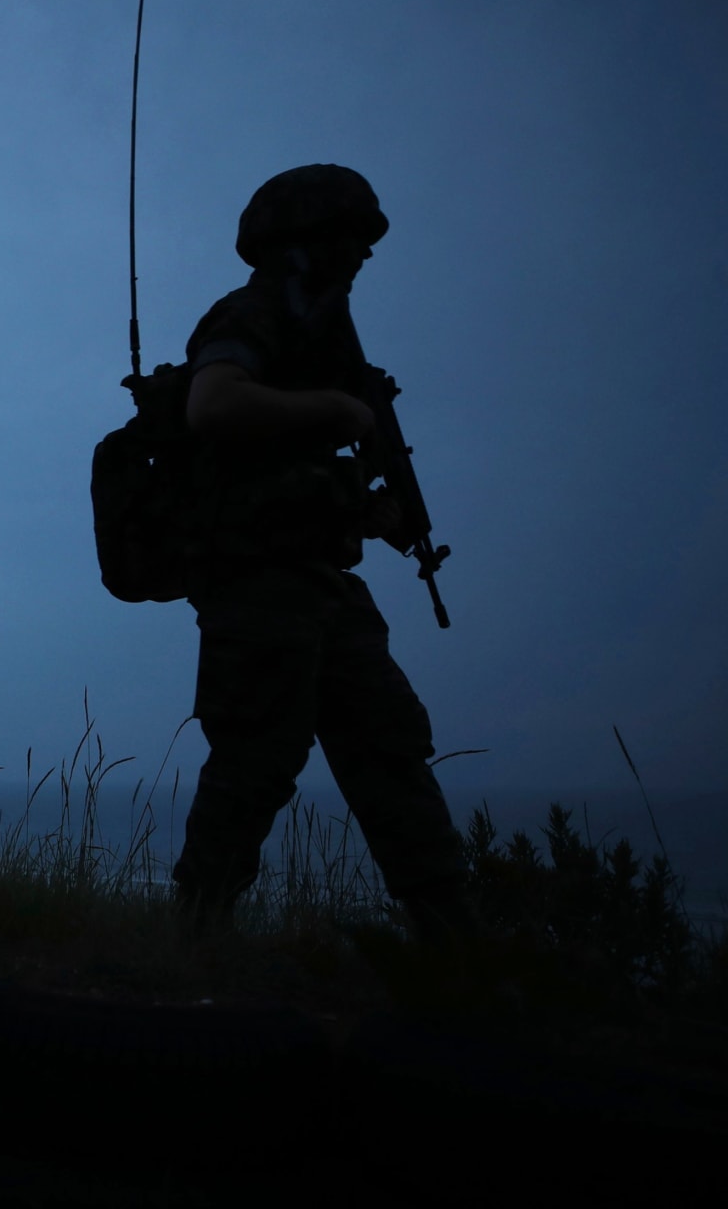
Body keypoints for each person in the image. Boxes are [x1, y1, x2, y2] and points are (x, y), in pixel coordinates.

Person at [173, 164, 471, 938]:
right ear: (304, 239)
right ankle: (194, 941)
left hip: (324, 582)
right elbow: (212, 404)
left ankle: (457, 942)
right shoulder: (253, 313)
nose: (364, 255)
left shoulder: (321, 335)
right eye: (351, 237)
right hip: (258, 580)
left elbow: (309, 470)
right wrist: (337, 410)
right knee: (255, 761)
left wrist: (375, 508)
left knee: (390, 751)